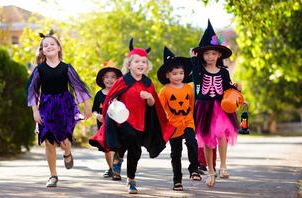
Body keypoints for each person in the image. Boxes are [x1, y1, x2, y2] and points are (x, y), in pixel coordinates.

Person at [89, 38, 175, 194]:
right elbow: (110, 99)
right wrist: (113, 102)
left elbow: (153, 106)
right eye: (136, 61)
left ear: (147, 65)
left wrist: (149, 98)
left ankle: (131, 180)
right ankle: (119, 155)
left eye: (143, 62)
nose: (140, 64)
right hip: (123, 121)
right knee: (128, 135)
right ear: (129, 64)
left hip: (141, 122)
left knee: (136, 151)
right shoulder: (122, 81)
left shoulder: (148, 84)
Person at [27, 30, 91, 187]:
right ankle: (53, 175)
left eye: (52, 44)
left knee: (65, 140)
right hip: (47, 107)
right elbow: (33, 91)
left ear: (58, 48)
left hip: (65, 106)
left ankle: (67, 152)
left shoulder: (66, 68)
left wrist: (87, 106)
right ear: (42, 50)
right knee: (49, 141)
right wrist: (35, 111)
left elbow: (79, 87)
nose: (49, 47)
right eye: (45, 45)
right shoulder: (39, 70)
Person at [190, 20, 239, 188]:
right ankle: (211, 170)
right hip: (204, 108)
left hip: (220, 107)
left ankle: (223, 165)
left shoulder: (224, 72)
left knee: (222, 135)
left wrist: (238, 92)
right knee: (207, 141)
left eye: (213, 54)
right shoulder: (199, 71)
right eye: (206, 54)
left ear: (219, 55)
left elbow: (228, 88)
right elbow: (195, 77)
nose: (210, 57)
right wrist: (193, 59)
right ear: (202, 56)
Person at [157, 47, 202, 191]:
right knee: (176, 153)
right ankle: (177, 180)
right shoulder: (165, 90)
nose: (178, 76)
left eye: (181, 73)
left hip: (188, 122)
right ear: (168, 75)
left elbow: (191, 106)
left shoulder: (188, 88)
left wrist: (194, 59)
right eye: (175, 74)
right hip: (173, 125)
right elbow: (159, 109)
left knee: (192, 142)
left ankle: (194, 169)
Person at [92, 60, 122, 178]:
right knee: (107, 148)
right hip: (103, 125)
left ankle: (116, 169)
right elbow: (94, 109)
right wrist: (97, 115)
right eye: (106, 77)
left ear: (117, 79)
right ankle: (110, 168)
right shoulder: (99, 94)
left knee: (116, 147)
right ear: (102, 79)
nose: (109, 80)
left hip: (116, 124)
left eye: (113, 77)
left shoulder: (119, 93)